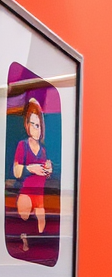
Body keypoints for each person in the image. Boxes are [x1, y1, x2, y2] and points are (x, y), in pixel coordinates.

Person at [12, 97, 52, 252]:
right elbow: (16, 171)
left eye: (39, 126)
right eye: (34, 125)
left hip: (39, 196)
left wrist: (47, 170)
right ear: (27, 125)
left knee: (41, 226)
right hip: (26, 194)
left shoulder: (43, 150)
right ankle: (24, 238)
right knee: (24, 215)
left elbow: (44, 173)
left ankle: (31, 240)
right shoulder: (22, 145)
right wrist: (30, 168)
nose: (37, 129)